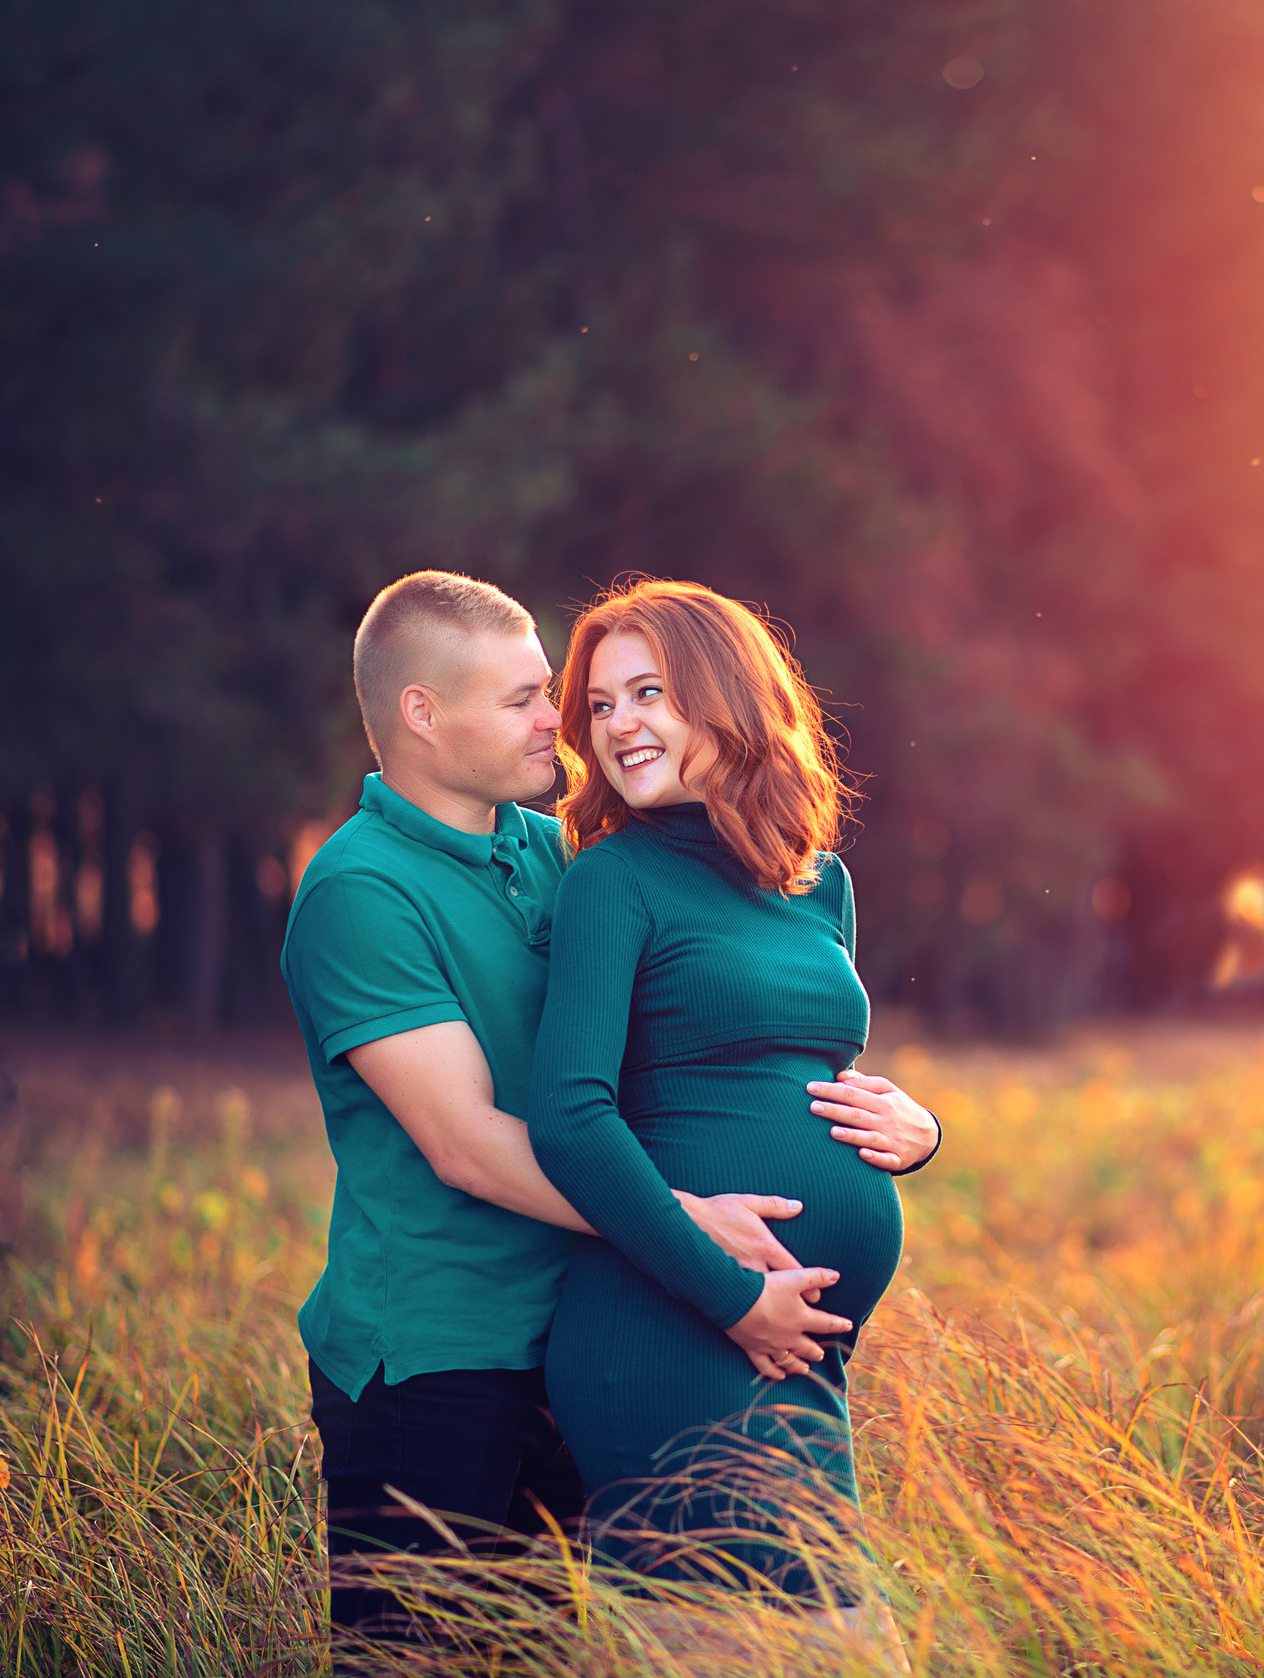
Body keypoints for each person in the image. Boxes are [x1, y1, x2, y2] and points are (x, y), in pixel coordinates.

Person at [279, 570, 940, 1643]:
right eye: (528, 699)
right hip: (442, 1355)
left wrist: (911, 1128)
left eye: (561, 692)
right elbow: (469, 1146)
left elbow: (705, 1034)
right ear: (421, 711)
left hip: (576, 1317)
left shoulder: (551, 854)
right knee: (428, 1660)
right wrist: (692, 1231)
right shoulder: (361, 890)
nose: (564, 719)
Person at [527, 579, 923, 1655]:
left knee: (835, 1641)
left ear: (727, 696)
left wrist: (921, 1133)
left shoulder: (816, 883)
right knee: (732, 1643)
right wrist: (734, 1295)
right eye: (599, 706)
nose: (618, 726)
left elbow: (815, 1074)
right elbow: (567, 1116)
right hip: (670, 1323)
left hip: (800, 1348)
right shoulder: (613, 880)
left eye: (647, 692)